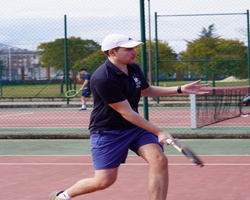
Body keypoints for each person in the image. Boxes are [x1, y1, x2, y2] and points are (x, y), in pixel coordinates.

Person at [49, 34, 209, 200]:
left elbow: (145, 90)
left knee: (159, 159)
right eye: (128, 49)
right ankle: (62, 196)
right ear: (112, 52)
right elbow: (126, 112)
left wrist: (179, 89)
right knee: (104, 181)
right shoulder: (103, 78)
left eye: (134, 48)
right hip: (108, 132)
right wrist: (160, 132)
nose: (134, 52)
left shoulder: (133, 68)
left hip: (134, 127)